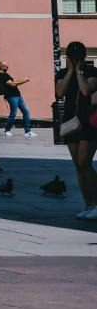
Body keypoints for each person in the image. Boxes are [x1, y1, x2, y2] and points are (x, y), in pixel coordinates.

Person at [58, 42, 97, 221]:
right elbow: (60, 92)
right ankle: (88, 204)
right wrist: (70, 72)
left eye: (77, 57)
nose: (73, 60)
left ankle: (96, 203)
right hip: (70, 121)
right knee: (78, 165)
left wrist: (79, 71)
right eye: (71, 57)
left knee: (85, 162)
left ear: (83, 57)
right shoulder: (62, 73)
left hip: (88, 122)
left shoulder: (91, 72)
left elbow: (87, 91)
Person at [0, 60, 32, 135]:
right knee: (13, 114)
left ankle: (28, 131)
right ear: (1, 66)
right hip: (11, 97)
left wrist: (24, 80)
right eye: (6, 66)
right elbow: (12, 84)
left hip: (18, 96)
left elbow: (14, 81)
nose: (7, 67)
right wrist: (24, 81)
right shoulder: (1, 75)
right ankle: (7, 130)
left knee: (26, 112)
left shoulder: (6, 74)